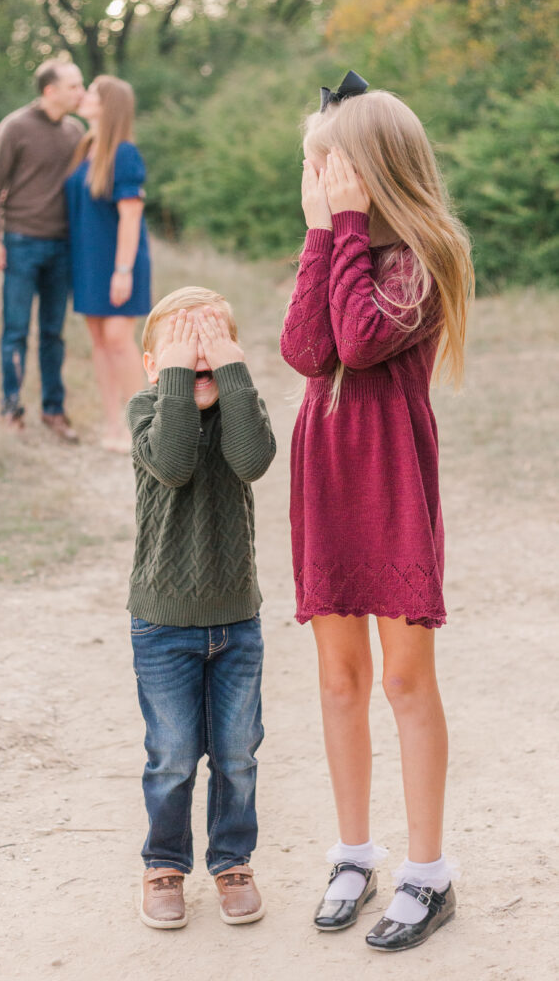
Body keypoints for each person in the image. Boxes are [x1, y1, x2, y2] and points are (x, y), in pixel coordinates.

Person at [280, 72, 474, 952]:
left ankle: (427, 875)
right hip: (326, 471)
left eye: (329, 165)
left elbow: (358, 340)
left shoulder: (422, 251)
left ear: (373, 167)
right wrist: (324, 236)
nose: (317, 181)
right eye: (314, 166)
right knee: (337, 679)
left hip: (387, 474)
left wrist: (345, 229)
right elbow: (306, 349)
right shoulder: (331, 244)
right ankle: (353, 853)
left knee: (402, 679)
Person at [126, 287, 276, 929]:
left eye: (211, 351)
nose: (198, 362)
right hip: (162, 624)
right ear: (152, 369)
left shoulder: (242, 406)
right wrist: (182, 375)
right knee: (174, 753)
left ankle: (232, 861)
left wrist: (229, 366)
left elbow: (252, 459)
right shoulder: (146, 412)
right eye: (179, 355)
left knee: (238, 752)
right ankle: (164, 865)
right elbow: (176, 462)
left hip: (236, 618)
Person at [0, 58, 85, 440]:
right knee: (15, 331)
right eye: (74, 86)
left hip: (63, 247)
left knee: (53, 333)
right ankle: (11, 409)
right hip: (20, 243)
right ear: (50, 90)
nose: (80, 92)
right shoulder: (15, 127)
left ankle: (54, 412)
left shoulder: (75, 131)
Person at [65, 76, 151, 453]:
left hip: (119, 261)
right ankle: (112, 425)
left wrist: (123, 270)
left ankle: (147, 428)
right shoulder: (85, 146)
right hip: (86, 259)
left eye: (92, 93)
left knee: (118, 340)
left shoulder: (124, 153)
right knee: (99, 344)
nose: (83, 96)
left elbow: (131, 218)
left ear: (108, 105)